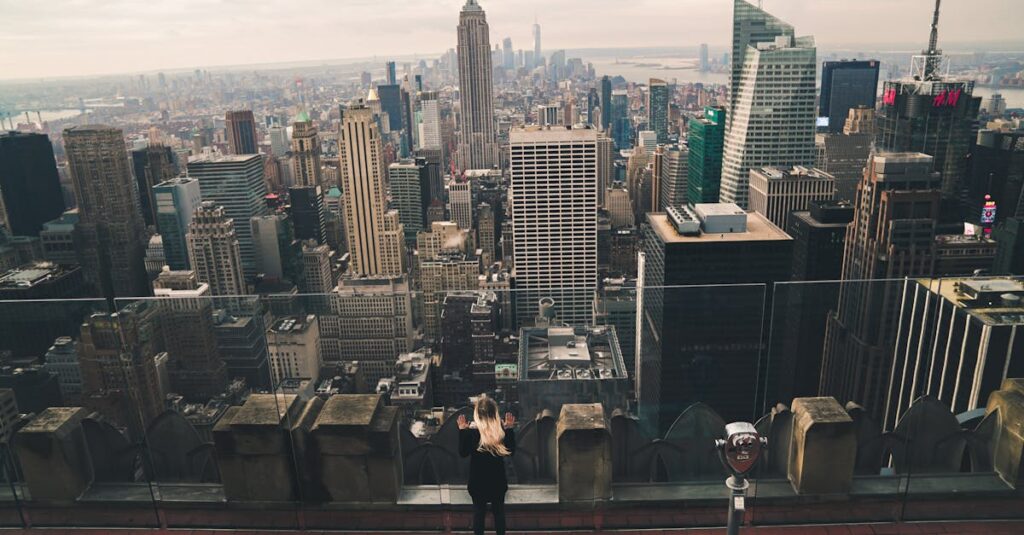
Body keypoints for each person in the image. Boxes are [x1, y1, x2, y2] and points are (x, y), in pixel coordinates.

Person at [458, 395, 515, 535]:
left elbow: (463, 453)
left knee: (478, 514)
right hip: (497, 481)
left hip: (477, 483)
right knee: (499, 514)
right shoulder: (500, 431)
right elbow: (510, 451)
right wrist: (509, 429)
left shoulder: (472, 432)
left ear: (477, 414)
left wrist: (462, 431)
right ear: (494, 412)